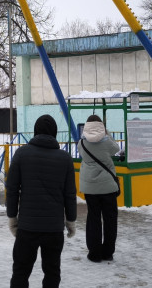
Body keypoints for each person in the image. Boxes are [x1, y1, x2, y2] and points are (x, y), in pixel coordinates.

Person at [7, 114, 77, 287]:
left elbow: (12, 188)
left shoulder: (22, 154)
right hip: (54, 229)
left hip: (27, 227)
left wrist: (12, 218)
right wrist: (71, 220)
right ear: (54, 133)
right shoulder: (65, 158)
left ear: (35, 131)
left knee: (21, 272)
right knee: (52, 272)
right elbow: (70, 193)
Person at [78, 114, 121, 263]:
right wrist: (107, 134)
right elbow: (116, 149)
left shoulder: (81, 143)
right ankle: (108, 252)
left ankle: (94, 253)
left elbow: (82, 155)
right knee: (110, 219)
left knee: (93, 218)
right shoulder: (107, 141)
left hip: (90, 187)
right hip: (108, 185)